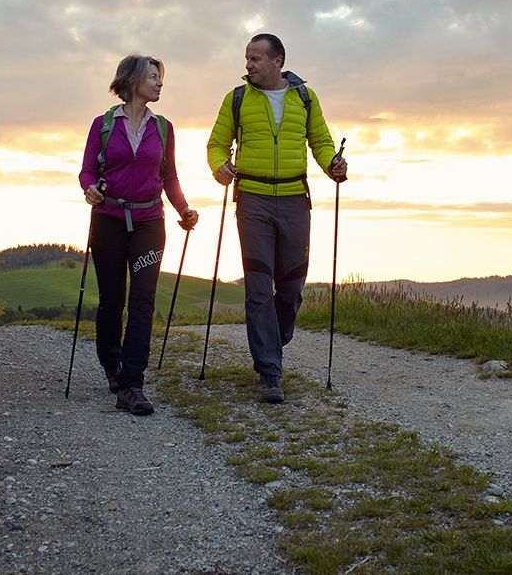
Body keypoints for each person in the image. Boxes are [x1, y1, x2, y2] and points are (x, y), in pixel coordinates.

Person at [206, 33, 347, 403]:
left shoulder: (305, 97)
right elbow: (217, 143)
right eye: (247, 58)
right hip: (252, 200)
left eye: (255, 58)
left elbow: (321, 142)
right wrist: (220, 166)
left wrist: (332, 164)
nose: (248, 64)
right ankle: (270, 371)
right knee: (257, 286)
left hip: (294, 198)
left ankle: (274, 337)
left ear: (277, 61)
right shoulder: (237, 98)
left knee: (291, 285)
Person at [79, 54, 198, 415]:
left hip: (149, 222)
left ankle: (133, 384)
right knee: (112, 300)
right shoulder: (103, 125)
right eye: (153, 77)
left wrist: (183, 209)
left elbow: (169, 176)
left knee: (143, 300)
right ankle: (112, 365)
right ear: (132, 81)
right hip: (109, 220)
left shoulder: (163, 127)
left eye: (160, 78)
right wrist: (90, 189)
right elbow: (87, 171)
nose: (160, 83)